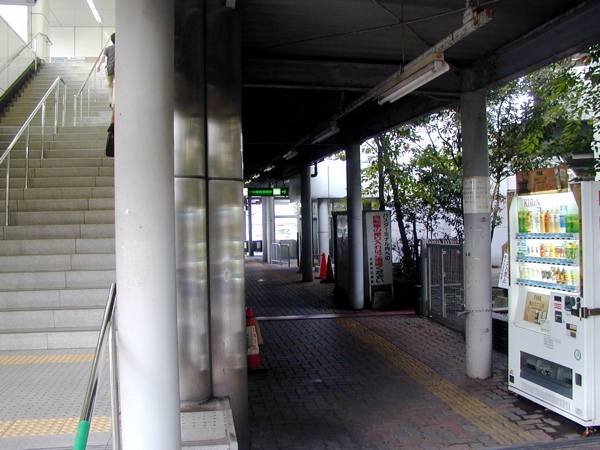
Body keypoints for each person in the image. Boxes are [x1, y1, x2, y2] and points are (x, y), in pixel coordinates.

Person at [97, 33, 115, 107]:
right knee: (117, 84)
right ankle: (116, 99)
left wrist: (98, 65)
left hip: (110, 68)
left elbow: (103, 57)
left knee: (111, 85)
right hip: (119, 68)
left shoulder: (108, 48)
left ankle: (111, 100)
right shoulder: (122, 48)